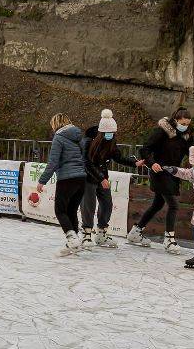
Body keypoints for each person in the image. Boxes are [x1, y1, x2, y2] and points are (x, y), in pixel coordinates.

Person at [128, 108, 194, 253]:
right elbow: (145, 149)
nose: (185, 126)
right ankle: (169, 239)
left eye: (187, 124)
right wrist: (152, 163)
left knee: (157, 204)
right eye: (183, 123)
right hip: (160, 172)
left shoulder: (187, 134)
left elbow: (191, 151)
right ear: (175, 120)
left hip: (174, 172)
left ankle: (136, 232)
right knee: (173, 205)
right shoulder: (162, 131)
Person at [79, 109, 140, 249]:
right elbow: (87, 163)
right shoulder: (87, 142)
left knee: (107, 204)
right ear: (101, 132)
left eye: (112, 133)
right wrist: (101, 178)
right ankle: (86, 234)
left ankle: (101, 233)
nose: (110, 135)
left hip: (102, 177)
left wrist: (134, 163)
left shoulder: (111, 141)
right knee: (88, 205)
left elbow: (117, 157)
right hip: (88, 177)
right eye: (108, 133)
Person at [34, 114, 86, 255]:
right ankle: (74, 243)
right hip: (81, 178)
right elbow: (84, 157)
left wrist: (42, 180)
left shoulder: (59, 138)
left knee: (60, 210)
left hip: (67, 179)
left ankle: (72, 239)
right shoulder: (79, 136)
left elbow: (53, 162)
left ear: (55, 124)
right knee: (71, 211)